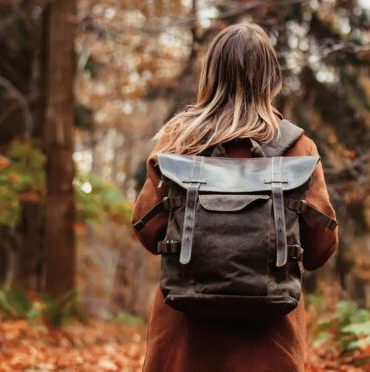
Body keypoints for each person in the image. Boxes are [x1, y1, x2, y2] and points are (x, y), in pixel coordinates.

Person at [131, 22, 338, 372]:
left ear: (210, 75)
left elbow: (148, 232)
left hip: (185, 332)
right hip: (269, 337)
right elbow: (320, 248)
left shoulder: (177, 142)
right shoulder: (298, 148)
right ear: (270, 78)